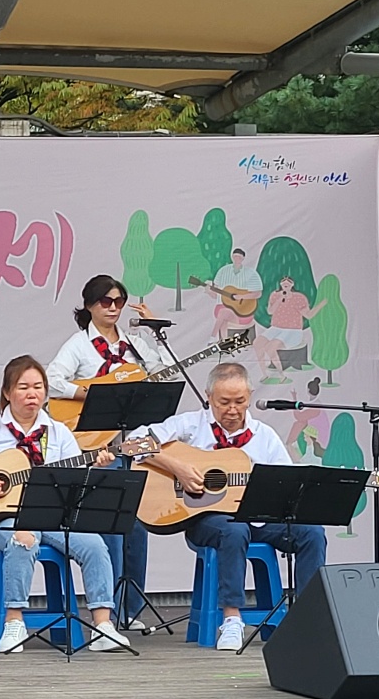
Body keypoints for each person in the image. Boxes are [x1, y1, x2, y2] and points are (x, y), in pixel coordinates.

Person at [0, 355, 129, 654]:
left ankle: (103, 625)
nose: (32, 394)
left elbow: (74, 480)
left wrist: (94, 466)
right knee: (23, 540)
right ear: (7, 392)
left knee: (94, 545)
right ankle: (14, 621)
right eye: (23, 387)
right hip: (3, 517)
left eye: (38, 387)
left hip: (51, 515)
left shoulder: (58, 431)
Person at [129, 362, 328, 650]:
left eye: (239, 401)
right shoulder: (190, 425)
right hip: (206, 522)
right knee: (234, 530)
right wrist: (177, 467)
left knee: (312, 533)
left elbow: (286, 482)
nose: (232, 410)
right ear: (209, 396)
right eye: (224, 402)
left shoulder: (263, 436)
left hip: (258, 521)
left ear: (250, 397)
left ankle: (308, 619)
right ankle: (232, 619)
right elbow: (133, 441)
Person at [45, 274, 169, 630]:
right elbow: (51, 379)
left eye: (118, 301)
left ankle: (131, 610)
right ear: (89, 306)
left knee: (138, 526)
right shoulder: (79, 345)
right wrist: (89, 393)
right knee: (112, 525)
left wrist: (154, 334)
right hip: (98, 448)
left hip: (131, 444)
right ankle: (107, 613)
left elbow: (162, 373)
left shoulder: (133, 344)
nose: (113, 307)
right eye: (105, 301)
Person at [253, 276, 319, 383]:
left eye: (289, 281)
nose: (286, 283)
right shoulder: (275, 295)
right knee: (257, 343)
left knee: (270, 347)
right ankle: (264, 374)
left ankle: (281, 375)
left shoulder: (299, 297)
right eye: (283, 281)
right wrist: (279, 299)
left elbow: (308, 315)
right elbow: (270, 311)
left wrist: (322, 304)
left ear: (292, 284)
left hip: (292, 330)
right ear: (280, 284)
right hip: (276, 328)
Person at [207, 248, 263, 340]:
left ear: (243, 258)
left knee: (223, 314)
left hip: (243, 310)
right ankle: (223, 342)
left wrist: (241, 296)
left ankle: (213, 337)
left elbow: (258, 294)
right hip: (222, 306)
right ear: (232, 257)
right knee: (223, 314)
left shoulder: (251, 273)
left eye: (239, 257)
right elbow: (216, 295)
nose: (237, 259)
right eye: (235, 256)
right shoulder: (223, 271)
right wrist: (209, 292)